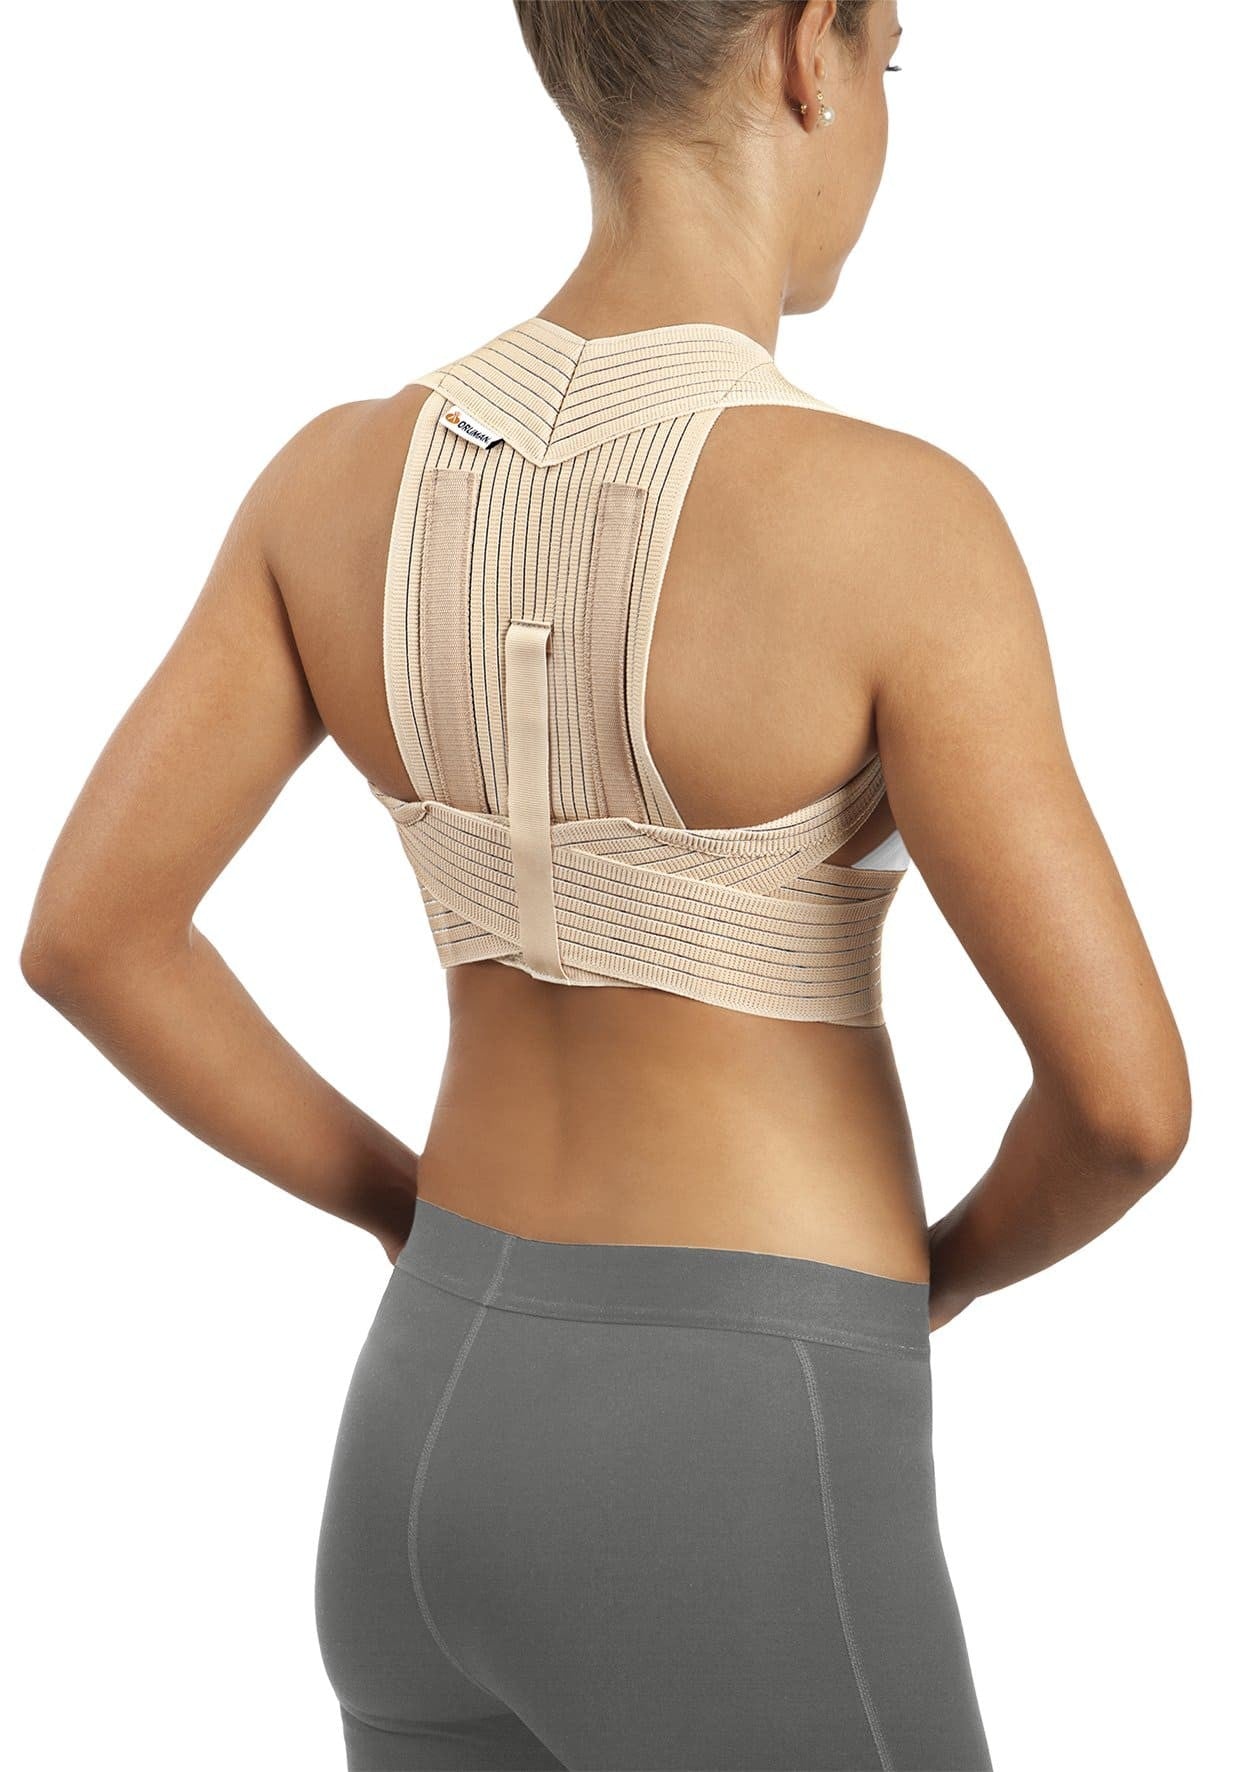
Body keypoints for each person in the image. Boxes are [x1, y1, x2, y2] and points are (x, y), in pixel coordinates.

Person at [20, 1, 1191, 1768]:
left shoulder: (331, 484)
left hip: (424, 1429)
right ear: (806, 52)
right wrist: (937, 1273)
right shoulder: (897, 526)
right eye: (892, 58)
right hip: (741, 1444)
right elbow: (1126, 1108)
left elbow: (91, 934)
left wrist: (407, 1212)